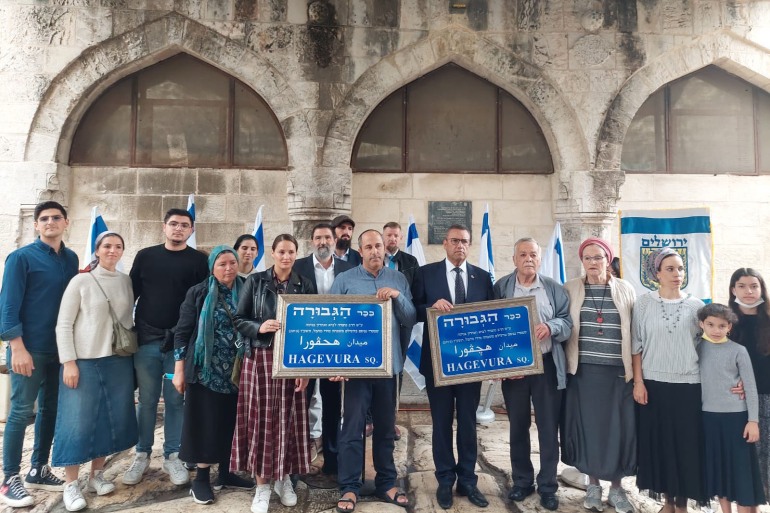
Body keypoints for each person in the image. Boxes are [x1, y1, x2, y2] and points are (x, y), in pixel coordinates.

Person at [329, 229, 416, 513]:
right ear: (360, 251)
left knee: (385, 429)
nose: (375, 251)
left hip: (388, 368)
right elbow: (332, 323)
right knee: (352, 429)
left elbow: (410, 318)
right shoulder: (344, 280)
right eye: (369, 247)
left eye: (378, 245)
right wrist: (336, 364)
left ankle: (386, 483)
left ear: (384, 248)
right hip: (354, 370)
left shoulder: (398, 279)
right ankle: (349, 486)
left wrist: (397, 297)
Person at [0, 201, 79, 508]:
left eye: (56, 217)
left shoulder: (71, 259)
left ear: (66, 222)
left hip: (59, 349)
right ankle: (9, 479)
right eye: (44, 218)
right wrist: (16, 347)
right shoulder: (21, 258)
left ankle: (39, 468)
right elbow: (8, 306)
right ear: (36, 225)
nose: (50, 222)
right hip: (28, 349)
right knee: (21, 411)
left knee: (50, 409)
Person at [52, 232, 137, 511]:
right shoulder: (81, 281)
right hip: (84, 362)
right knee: (76, 422)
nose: (113, 250)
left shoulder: (125, 281)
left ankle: (96, 475)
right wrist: (69, 362)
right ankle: (71, 484)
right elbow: (64, 324)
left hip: (118, 360)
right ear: (97, 250)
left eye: (118, 246)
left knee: (109, 419)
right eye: (107, 246)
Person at [231, 234, 315, 513]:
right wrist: (259, 327)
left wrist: (306, 368)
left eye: (291, 252)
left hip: (294, 359)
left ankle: (284, 479)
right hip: (261, 356)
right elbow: (238, 319)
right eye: (281, 252)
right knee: (262, 420)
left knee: (290, 420)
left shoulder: (305, 284)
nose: (286, 257)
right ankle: (262, 486)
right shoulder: (256, 281)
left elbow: (312, 327)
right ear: (273, 253)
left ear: (296, 254)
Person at [125, 208, 209, 487]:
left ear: (191, 230)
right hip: (147, 341)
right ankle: (141, 454)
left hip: (179, 347)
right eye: (173, 224)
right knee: (146, 400)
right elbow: (130, 295)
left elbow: (201, 304)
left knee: (175, 401)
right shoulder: (145, 256)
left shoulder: (199, 261)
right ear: (164, 227)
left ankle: (173, 455)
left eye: (184, 225)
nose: (178, 229)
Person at [412, 224, 493, 509]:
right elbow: (412, 309)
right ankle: (445, 480)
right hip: (438, 363)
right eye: (455, 241)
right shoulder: (426, 273)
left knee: (468, 423)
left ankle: (468, 481)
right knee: (442, 422)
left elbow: (492, 317)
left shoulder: (482, 277)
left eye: (465, 242)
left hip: (472, 363)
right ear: (445, 243)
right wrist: (431, 308)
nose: (460, 246)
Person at [173, 245, 256, 505]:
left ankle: (226, 473)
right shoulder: (198, 293)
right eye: (222, 264)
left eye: (232, 263)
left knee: (231, 423)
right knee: (205, 425)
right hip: (206, 372)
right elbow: (182, 333)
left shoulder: (248, 288)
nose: (228, 268)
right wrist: (179, 370)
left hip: (238, 372)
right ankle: (201, 480)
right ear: (212, 267)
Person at [493, 237, 572, 512]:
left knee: (548, 428)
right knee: (518, 426)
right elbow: (491, 326)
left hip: (547, 367)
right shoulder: (501, 287)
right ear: (514, 259)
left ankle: (548, 486)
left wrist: (551, 327)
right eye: (523, 254)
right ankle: (522, 481)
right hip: (514, 369)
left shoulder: (553, 288)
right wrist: (501, 366)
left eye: (533, 255)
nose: (528, 259)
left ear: (540, 258)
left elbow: (567, 322)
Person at [562, 238, 636, 513]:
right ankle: (593, 485)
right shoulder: (570, 288)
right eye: (588, 258)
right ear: (582, 261)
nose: (593, 263)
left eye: (598, 257)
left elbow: (635, 331)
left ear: (608, 260)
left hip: (618, 373)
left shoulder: (625, 288)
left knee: (618, 430)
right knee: (589, 430)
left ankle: (616, 488)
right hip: (583, 372)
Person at [632, 248, 707, 512]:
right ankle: (667, 503)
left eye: (681, 268)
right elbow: (636, 346)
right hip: (653, 385)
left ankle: (682, 505)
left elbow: (705, 347)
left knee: (686, 447)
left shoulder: (697, 306)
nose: (677, 274)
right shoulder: (643, 304)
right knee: (660, 445)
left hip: (689, 386)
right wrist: (638, 382)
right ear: (657, 274)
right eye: (670, 269)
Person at [293, 223, 354, 477]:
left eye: (327, 237)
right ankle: (297, 463)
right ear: (311, 241)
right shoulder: (297, 267)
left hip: (335, 346)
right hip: (305, 345)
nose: (323, 242)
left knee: (332, 405)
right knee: (300, 404)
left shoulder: (348, 269)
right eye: (318, 237)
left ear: (334, 239)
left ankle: (332, 462)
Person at [697, 303, 765, 512]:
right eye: (711, 325)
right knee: (719, 469)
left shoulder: (738, 351)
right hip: (708, 418)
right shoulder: (696, 348)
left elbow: (750, 387)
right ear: (701, 324)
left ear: (729, 327)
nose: (716, 330)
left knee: (740, 470)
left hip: (737, 418)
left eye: (722, 326)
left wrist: (753, 421)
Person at [728, 268, 770, 499]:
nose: (749, 291)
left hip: (768, 396)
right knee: (746, 456)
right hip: (739, 400)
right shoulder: (725, 323)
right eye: (742, 286)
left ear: (762, 289)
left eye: (754, 286)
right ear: (733, 289)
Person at [383, 221, 420, 441]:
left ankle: (391, 419)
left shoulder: (410, 261)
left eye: (396, 235)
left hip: (402, 321)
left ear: (401, 237)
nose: (392, 239)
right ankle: (369, 418)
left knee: (397, 367)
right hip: (376, 322)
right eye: (389, 235)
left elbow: (414, 292)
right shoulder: (373, 258)